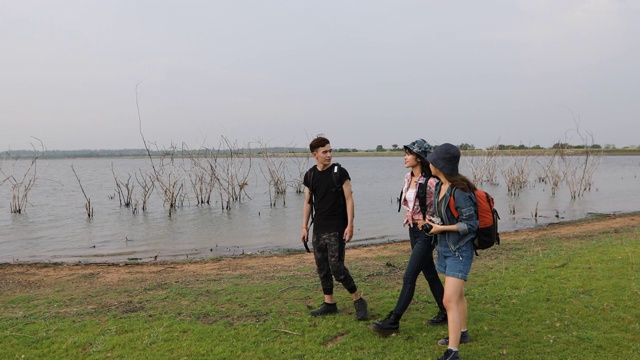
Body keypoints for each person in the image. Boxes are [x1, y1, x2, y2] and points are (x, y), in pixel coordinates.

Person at [371, 139, 446, 335]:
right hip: (413, 230)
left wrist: (429, 222)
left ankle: (394, 320)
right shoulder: (407, 178)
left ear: (419, 157)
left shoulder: (432, 182)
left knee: (409, 275)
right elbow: (409, 205)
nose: (405, 157)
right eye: (405, 153)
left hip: (427, 233)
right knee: (429, 272)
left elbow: (441, 208)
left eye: (409, 153)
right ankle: (445, 311)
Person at [301, 136, 369, 321]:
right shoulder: (310, 175)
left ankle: (358, 300)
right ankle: (329, 303)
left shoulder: (340, 172)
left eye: (330, 151)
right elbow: (308, 202)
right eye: (325, 152)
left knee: (337, 268)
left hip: (337, 228)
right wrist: (304, 226)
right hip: (319, 228)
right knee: (322, 268)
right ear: (315, 155)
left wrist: (350, 225)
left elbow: (349, 199)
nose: (329, 155)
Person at [421, 143, 479, 360]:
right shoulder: (439, 186)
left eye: (433, 160)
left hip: (459, 251)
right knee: (458, 295)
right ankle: (462, 334)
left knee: (448, 301)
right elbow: (446, 217)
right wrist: (430, 223)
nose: (429, 163)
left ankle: (453, 352)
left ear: (440, 165)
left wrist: (441, 228)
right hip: (444, 248)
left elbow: (471, 224)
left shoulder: (460, 191)